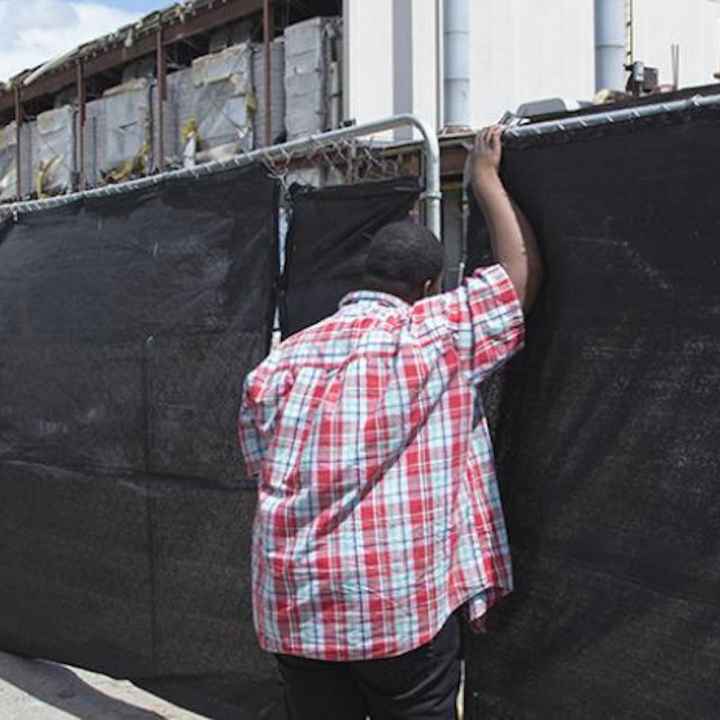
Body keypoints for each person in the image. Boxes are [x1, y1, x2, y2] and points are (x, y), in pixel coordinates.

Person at [238, 126, 543, 720]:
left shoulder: (280, 363)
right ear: (427, 288)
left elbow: (260, 466)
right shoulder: (433, 336)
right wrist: (484, 177)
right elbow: (518, 277)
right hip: (394, 609)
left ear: (364, 277)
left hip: (293, 605)